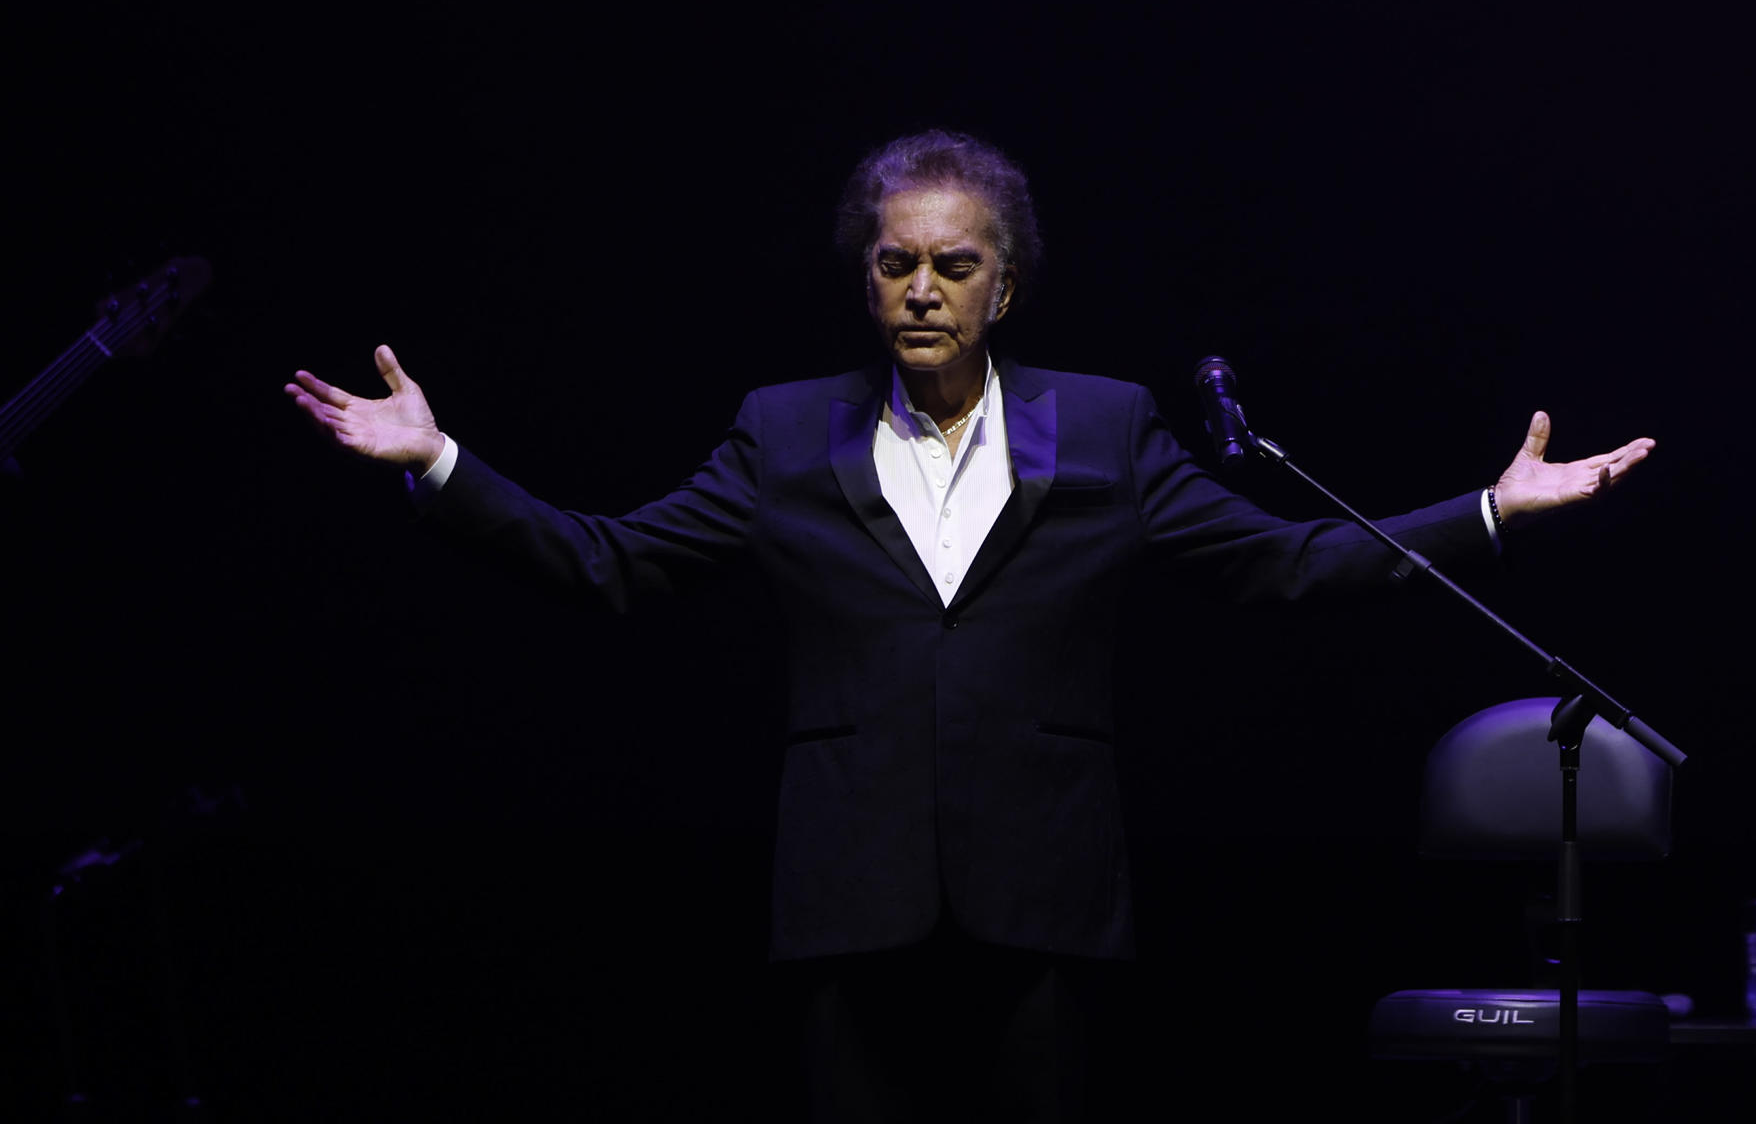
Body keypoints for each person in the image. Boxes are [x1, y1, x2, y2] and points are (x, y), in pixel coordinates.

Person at [285, 129, 1654, 1120]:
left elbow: (1288, 564)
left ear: (1003, 285)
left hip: (1042, 896)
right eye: (896, 265)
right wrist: (440, 465)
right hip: (847, 895)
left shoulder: (1108, 426)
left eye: (954, 264)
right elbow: (609, 563)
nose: (923, 288)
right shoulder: (783, 431)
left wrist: (1487, 508)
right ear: (867, 282)